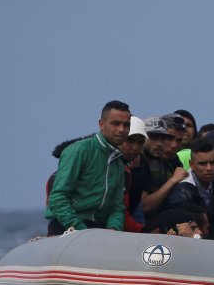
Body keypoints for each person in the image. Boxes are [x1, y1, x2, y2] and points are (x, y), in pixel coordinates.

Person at [45, 100, 131, 236]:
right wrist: (81, 230)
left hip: (98, 231)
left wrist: (114, 230)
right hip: (66, 227)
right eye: (115, 123)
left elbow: (117, 207)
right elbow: (57, 198)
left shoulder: (118, 162)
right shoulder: (79, 150)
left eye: (126, 125)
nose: (121, 129)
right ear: (101, 124)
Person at [132, 116, 188, 227]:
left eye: (163, 138)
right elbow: (144, 205)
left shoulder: (173, 162)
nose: (159, 143)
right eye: (153, 137)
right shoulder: (138, 162)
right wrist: (172, 181)